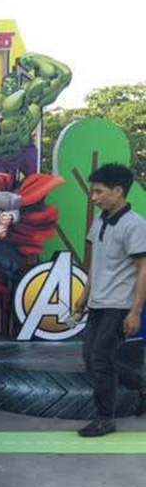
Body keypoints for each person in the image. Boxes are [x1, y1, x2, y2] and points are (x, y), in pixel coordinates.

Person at [71, 163, 146, 437]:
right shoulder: (100, 220)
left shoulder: (135, 225)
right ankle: (141, 384)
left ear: (118, 191)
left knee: (101, 360)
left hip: (119, 305)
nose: (94, 197)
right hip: (97, 302)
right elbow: (97, 263)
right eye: (93, 192)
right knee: (91, 359)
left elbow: (143, 269)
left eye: (99, 192)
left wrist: (135, 311)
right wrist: (84, 296)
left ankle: (105, 419)